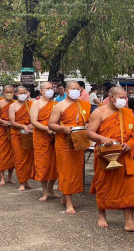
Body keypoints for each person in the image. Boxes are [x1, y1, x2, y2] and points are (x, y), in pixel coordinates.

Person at [87, 87, 134, 233]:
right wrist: (102, 138)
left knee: (130, 187)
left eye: (125, 97)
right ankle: (102, 215)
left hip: (124, 155)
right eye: (120, 97)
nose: (124, 100)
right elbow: (89, 133)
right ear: (111, 97)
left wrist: (130, 144)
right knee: (104, 184)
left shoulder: (127, 113)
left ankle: (130, 222)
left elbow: (133, 134)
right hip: (106, 154)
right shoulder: (99, 112)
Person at [49, 81, 91, 214]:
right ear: (67, 91)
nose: (76, 91)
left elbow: (87, 121)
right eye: (73, 89)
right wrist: (62, 128)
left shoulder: (84, 105)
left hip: (79, 141)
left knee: (76, 171)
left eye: (78, 89)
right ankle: (68, 202)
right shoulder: (59, 106)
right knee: (66, 171)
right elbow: (51, 125)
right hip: (64, 143)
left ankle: (65, 197)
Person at [30, 82, 59, 201]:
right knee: (42, 164)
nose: (50, 90)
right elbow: (34, 121)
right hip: (41, 137)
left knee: (55, 164)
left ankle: (51, 188)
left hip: (55, 137)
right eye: (47, 88)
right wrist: (48, 129)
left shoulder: (56, 104)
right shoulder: (36, 103)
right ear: (41, 91)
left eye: (51, 88)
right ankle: (45, 191)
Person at [9, 86, 34, 191]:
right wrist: (23, 126)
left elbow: (35, 118)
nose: (23, 95)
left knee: (29, 159)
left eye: (25, 92)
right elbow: (12, 122)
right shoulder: (13, 106)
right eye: (21, 93)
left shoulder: (31, 104)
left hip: (28, 134)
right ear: (16, 94)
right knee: (19, 158)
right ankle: (22, 182)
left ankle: (26, 180)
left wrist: (32, 125)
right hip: (17, 134)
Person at [0, 85, 16, 185]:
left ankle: (10, 177)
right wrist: (3, 122)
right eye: (7, 92)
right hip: (2, 130)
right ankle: (2, 177)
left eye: (10, 92)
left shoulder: (16, 103)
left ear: (14, 93)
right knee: (2, 153)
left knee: (12, 154)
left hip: (12, 130)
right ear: (3, 93)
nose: (9, 94)